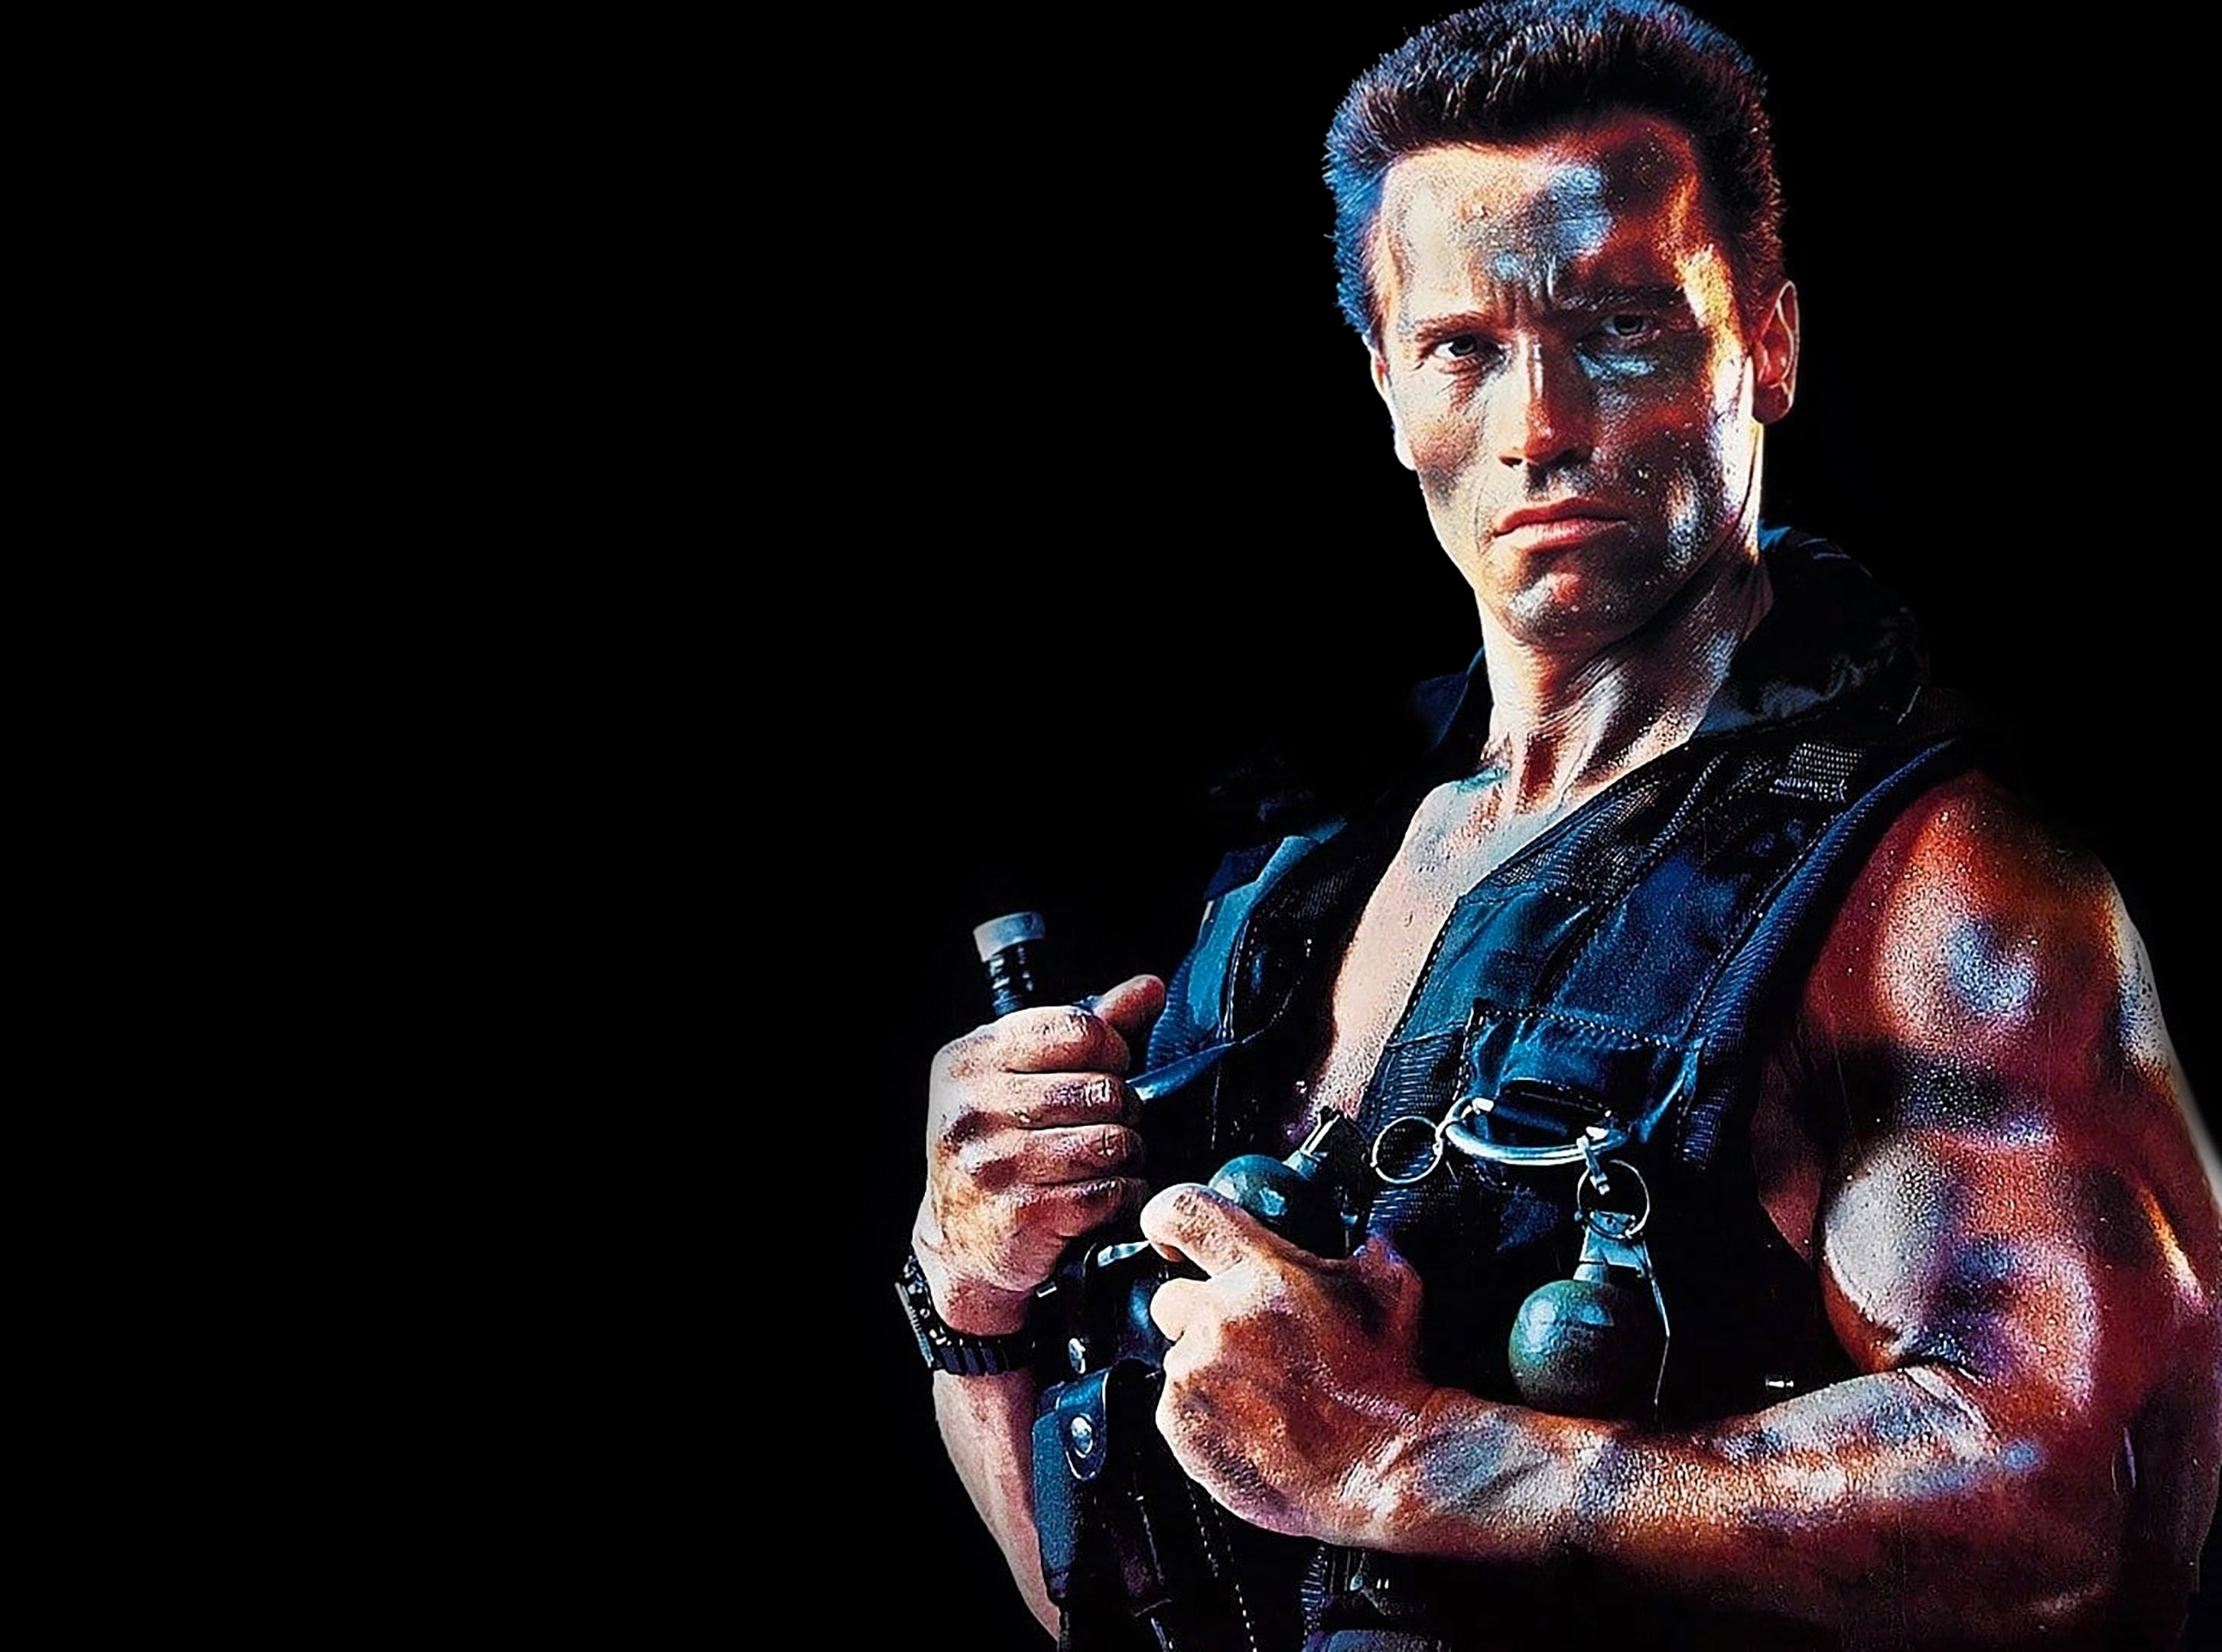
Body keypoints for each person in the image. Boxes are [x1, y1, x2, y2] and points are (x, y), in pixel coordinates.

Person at [895, 3, 2222, 1647]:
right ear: (1392, 390)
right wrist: (975, 1299)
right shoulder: (1307, 891)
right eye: (1465, 347)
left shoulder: (1942, 891)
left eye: (1622, 327)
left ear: (1769, 347)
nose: (1541, 422)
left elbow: (2077, 1519)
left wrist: (1401, 1459)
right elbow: (1122, 1598)